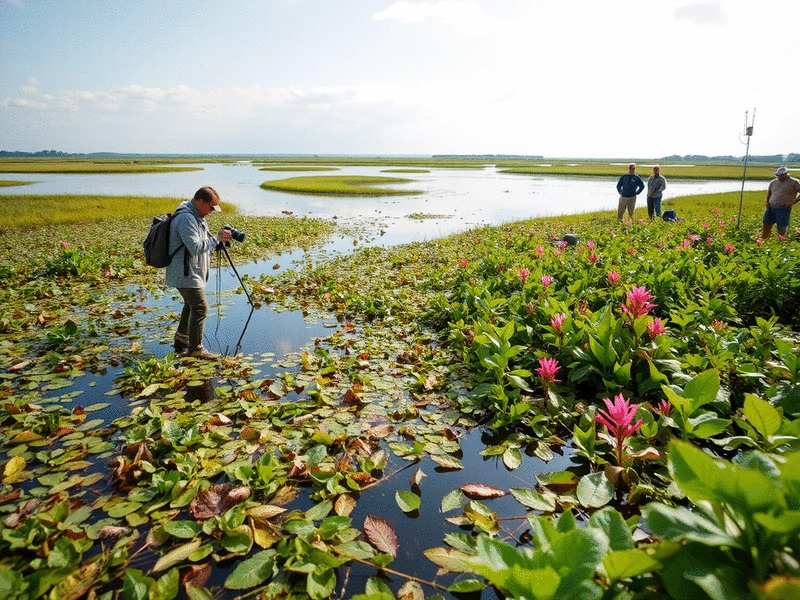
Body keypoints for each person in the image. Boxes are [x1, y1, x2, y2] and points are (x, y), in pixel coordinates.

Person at [166, 186, 232, 359]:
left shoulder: (198, 216)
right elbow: (195, 248)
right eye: (211, 207)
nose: (212, 211)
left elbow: (203, 242)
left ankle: (182, 337)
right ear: (201, 202)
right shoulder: (186, 218)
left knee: (191, 304)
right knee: (200, 307)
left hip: (191, 272)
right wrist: (216, 238)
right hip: (184, 273)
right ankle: (196, 350)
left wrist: (217, 242)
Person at [762, 166, 800, 239]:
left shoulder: (794, 182)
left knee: (781, 226)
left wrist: (792, 202)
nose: (779, 177)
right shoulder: (773, 182)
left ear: (786, 174)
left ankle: (781, 242)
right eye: (778, 175)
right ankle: (764, 241)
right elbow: (769, 193)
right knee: (766, 223)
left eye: (781, 175)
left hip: (783, 208)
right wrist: (767, 202)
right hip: (771, 207)